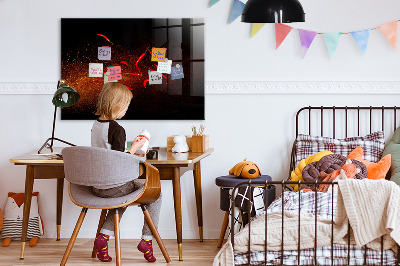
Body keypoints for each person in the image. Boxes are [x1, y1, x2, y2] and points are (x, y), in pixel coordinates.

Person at [91, 82, 162, 263]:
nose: (126, 110)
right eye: (126, 106)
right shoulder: (117, 129)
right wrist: (135, 148)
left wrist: (132, 150)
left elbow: (108, 154)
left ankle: (104, 238)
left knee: (121, 198)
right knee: (156, 194)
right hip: (114, 186)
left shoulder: (96, 125)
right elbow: (119, 161)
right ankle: (147, 240)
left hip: (97, 186)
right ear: (117, 105)